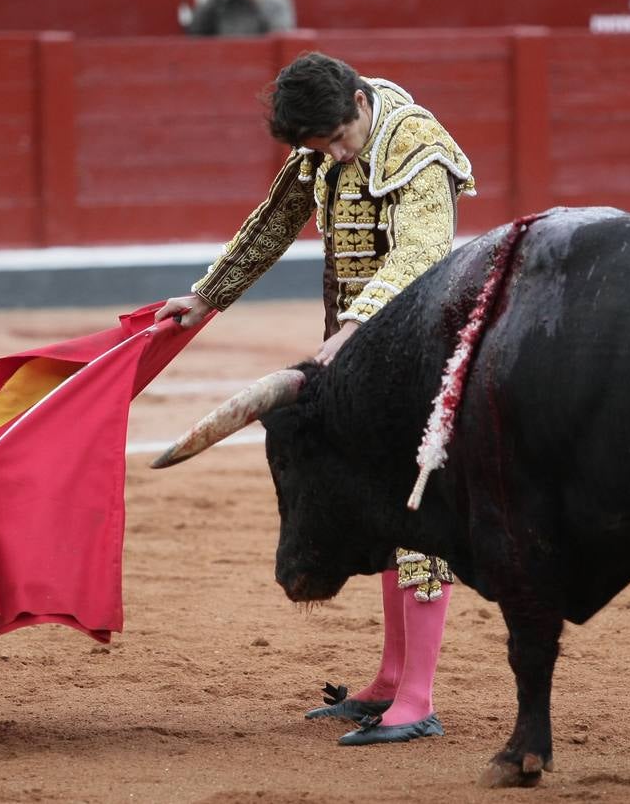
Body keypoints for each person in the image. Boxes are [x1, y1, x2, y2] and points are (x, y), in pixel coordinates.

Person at [156, 52, 474, 746]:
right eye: (320, 146)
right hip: (356, 360)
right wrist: (206, 299)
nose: (333, 153)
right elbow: (273, 222)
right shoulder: (325, 141)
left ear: (360, 101)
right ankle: (390, 682)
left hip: (417, 354)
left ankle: (417, 698)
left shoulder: (417, 144)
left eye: (338, 138)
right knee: (383, 511)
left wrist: (357, 327)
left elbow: (421, 251)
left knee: (419, 511)